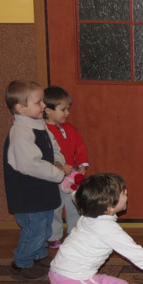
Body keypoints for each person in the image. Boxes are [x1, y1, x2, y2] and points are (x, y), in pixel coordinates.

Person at [3, 80, 68, 281]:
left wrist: (58, 161)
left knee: (45, 226)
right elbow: (30, 164)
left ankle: (38, 255)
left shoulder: (38, 124)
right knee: (34, 229)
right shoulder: (21, 132)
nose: (44, 106)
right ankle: (21, 263)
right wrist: (58, 174)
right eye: (38, 102)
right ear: (20, 108)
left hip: (42, 190)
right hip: (28, 194)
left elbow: (52, 146)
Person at [44, 86, 89, 249]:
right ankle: (53, 237)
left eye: (67, 109)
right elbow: (44, 155)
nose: (67, 113)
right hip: (53, 177)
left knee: (74, 205)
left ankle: (74, 234)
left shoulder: (69, 128)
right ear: (48, 110)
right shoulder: (42, 130)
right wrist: (59, 166)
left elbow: (80, 147)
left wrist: (82, 164)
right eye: (63, 110)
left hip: (71, 177)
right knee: (55, 208)